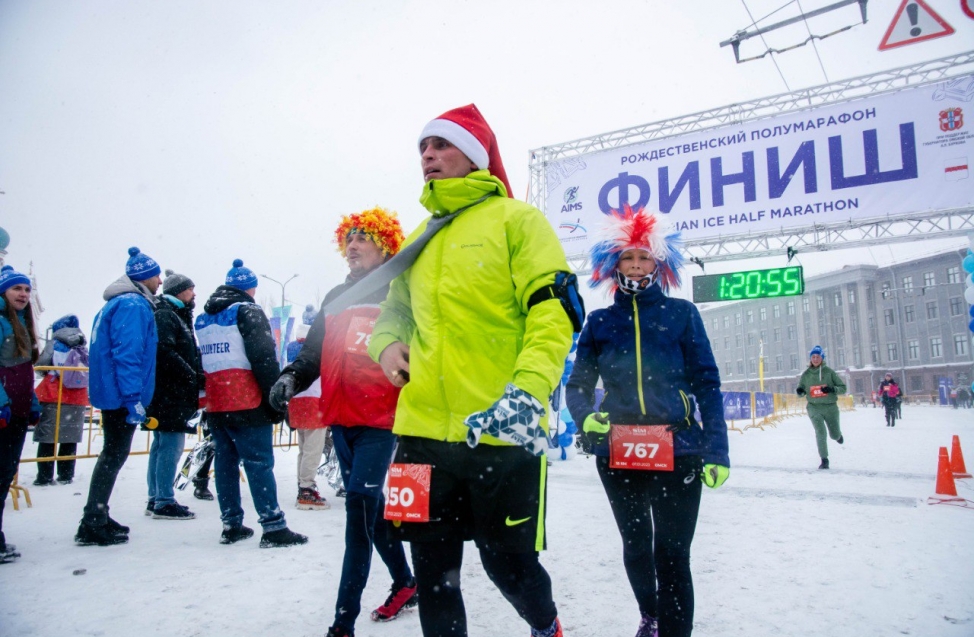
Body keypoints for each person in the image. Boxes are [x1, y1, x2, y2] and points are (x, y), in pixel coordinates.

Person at [367, 104, 576, 637]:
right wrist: (387, 346)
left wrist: (529, 391)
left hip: (500, 427)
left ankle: (545, 625)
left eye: (441, 145)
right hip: (420, 434)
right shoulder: (421, 235)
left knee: (508, 564)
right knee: (434, 574)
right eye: (423, 148)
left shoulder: (517, 220)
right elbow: (392, 313)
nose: (429, 156)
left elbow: (553, 311)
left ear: (475, 155)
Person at [565, 205, 731, 637]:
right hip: (619, 450)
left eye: (644, 257)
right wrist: (587, 421)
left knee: (673, 553)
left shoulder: (682, 315)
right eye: (627, 257)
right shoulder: (599, 322)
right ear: (612, 262)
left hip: (680, 449)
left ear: (659, 263)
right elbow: (577, 386)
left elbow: (708, 385)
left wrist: (718, 451)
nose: (636, 265)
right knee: (637, 547)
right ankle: (651, 615)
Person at [272, 207, 417, 637]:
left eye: (363, 239)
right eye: (348, 240)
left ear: (385, 245)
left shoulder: (402, 289)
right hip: (343, 419)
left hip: (386, 419)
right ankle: (407, 582)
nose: (352, 246)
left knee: (358, 509)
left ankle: (342, 624)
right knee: (371, 513)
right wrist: (291, 376)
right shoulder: (336, 295)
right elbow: (313, 354)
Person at [195, 259, 307, 548]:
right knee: (258, 463)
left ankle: (231, 524)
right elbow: (263, 357)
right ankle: (273, 527)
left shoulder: (204, 319)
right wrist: (274, 398)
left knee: (226, 463)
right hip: (247, 399)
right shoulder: (249, 311)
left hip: (218, 402)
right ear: (251, 289)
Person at [76, 247, 160, 546]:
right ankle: (93, 520)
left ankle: (97, 514)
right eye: (156, 276)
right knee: (113, 455)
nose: (160, 281)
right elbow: (128, 354)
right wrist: (132, 397)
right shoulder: (133, 305)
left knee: (111, 455)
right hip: (120, 396)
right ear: (144, 277)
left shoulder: (116, 304)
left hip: (110, 393)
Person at [145, 270, 204, 520]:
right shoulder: (167, 315)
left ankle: (156, 496)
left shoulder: (172, 314)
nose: (194, 294)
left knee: (161, 445)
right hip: (171, 392)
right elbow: (166, 351)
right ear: (180, 291)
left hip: (169, 391)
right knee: (170, 445)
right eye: (191, 289)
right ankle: (164, 500)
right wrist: (192, 374)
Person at [0, 265, 41, 563]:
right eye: (17, 289)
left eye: (26, 290)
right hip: (4, 410)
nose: (24, 294)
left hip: (17, 411)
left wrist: (32, 403)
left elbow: (23, 370)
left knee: (4, 476)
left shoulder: (22, 324)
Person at [33, 314, 89, 486]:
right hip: (77, 395)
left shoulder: (55, 343)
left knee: (48, 437)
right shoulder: (82, 344)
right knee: (69, 436)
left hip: (53, 393)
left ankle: (44, 476)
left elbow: (41, 364)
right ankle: (65, 475)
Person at [284, 305, 330, 511]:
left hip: (297, 400)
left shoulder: (292, 346)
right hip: (316, 401)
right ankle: (307, 490)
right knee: (313, 448)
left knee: (304, 448)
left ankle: (303, 485)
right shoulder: (320, 345)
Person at [796, 345, 846, 469]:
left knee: (833, 434)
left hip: (830, 407)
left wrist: (831, 389)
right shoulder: (806, 374)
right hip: (814, 407)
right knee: (820, 432)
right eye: (813, 357)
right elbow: (801, 390)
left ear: (822, 358)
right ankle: (824, 460)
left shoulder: (829, 372)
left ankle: (838, 436)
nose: (815, 359)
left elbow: (843, 388)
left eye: (818, 356)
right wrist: (800, 391)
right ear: (810, 359)